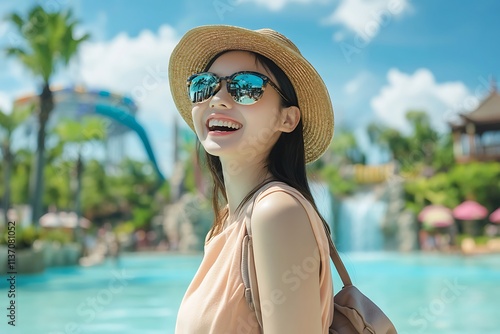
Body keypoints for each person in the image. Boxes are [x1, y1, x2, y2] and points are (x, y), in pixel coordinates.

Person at [169, 25, 335, 333]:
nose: (217, 100)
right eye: (204, 85)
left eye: (245, 86)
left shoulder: (276, 212)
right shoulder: (225, 223)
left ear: (287, 119)